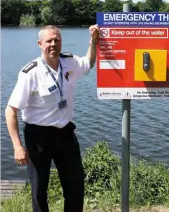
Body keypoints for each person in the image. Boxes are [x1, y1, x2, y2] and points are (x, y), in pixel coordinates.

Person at [5, 24, 99, 212]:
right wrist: (17, 146)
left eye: (57, 40)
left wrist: (93, 41)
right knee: (39, 190)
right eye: (49, 41)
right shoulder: (30, 73)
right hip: (38, 137)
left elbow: (88, 63)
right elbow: (10, 110)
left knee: (75, 186)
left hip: (65, 134)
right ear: (40, 44)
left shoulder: (69, 61)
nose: (53, 44)